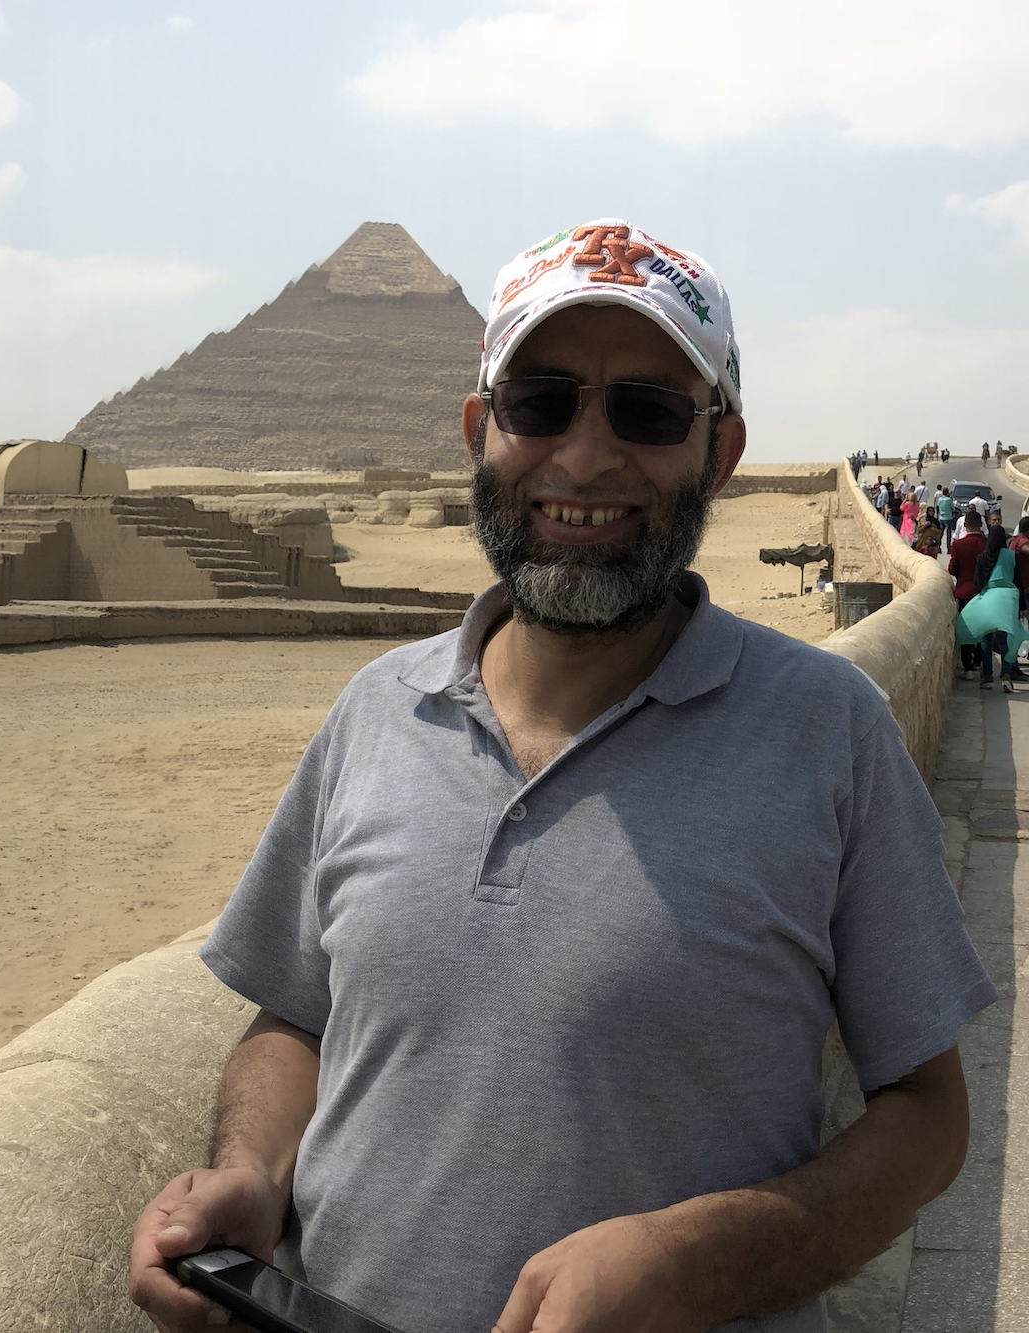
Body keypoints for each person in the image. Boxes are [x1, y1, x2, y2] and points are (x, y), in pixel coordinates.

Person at [129, 218, 992, 1333]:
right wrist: (248, 1169)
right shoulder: (374, 714)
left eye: (644, 411)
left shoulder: (829, 734)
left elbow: (927, 1116)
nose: (583, 458)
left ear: (718, 454)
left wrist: (699, 1260)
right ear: (479, 428)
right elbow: (296, 1018)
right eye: (540, 402)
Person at [957, 546, 1024, 692]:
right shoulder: (1011, 555)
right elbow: (1018, 581)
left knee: (986, 640)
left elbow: (977, 580)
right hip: (1007, 600)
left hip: (988, 598)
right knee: (1005, 639)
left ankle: (988, 677)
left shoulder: (983, 556)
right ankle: (1006, 675)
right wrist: (1022, 605)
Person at [950, 514, 992, 676]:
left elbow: (953, 568)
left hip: (965, 592)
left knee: (966, 629)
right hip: (984, 593)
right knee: (983, 630)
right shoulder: (987, 545)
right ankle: (980, 661)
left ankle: (968, 666)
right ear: (981, 525)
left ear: (965, 525)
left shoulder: (959, 544)